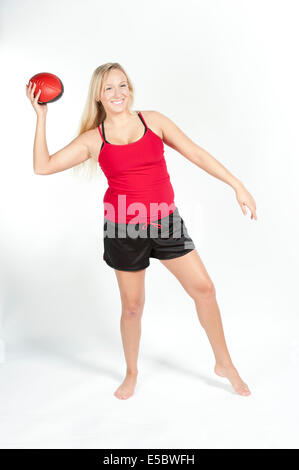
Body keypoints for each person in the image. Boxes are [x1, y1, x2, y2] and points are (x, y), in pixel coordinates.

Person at [26, 63, 257, 400]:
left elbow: (194, 152)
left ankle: (225, 364)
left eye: (123, 85)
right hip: (123, 228)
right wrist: (41, 116)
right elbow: (42, 166)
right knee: (132, 307)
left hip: (166, 222)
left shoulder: (154, 121)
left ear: (130, 89)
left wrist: (237, 185)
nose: (118, 93)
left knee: (204, 290)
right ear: (99, 98)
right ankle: (132, 372)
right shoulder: (94, 139)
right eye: (109, 89)